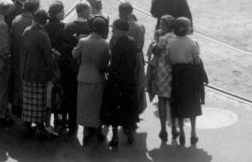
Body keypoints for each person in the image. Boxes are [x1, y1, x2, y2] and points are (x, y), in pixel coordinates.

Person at [102, 18, 140, 148]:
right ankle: (130, 134)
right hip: (129, 80)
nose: (112, 31)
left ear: (120, 30)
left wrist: (106, 69)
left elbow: (114, 63)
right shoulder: (132, 42)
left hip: (116, 80)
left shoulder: (116, 43)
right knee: (128, 107)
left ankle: (115, 136)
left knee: (114, 108)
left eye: (114, 29)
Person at [167, 17, 205, 146]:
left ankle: (182, 132)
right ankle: (193, 132)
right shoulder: (193, 42)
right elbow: (197, 61)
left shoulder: (171, 43)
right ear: (186, 28)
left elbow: (169, 59)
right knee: (192, 103)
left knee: (178, 104)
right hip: (190, 75)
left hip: (177, 75)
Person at [72, 15, 110, 144]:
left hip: (83, 75)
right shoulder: (105, 43)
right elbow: (105, 62)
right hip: (97, 77)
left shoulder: (83, 41)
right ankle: (98, 130)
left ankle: (86, 131)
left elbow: (75, 55)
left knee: (84, 104)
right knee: (97, 104)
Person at [19, 8, 56, 138]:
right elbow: (47, 57)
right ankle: (40, 127)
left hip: (26, 71)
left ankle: (26, 125)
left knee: (28, 101)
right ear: (45, 22)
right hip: (39, 74)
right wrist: (52, 71)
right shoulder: (42, 35)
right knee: (39, 103)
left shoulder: (26, 31)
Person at [147, 15, 176, 143]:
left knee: (162, 101)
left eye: (162, 25)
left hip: (162, 72)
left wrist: (154, 43)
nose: (160, 27)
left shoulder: (163, 38)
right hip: (173, 71)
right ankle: (174, 127)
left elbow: (155, 50)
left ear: (167, 26)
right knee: (172, 101)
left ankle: (163, 129)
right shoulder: (175, 37)